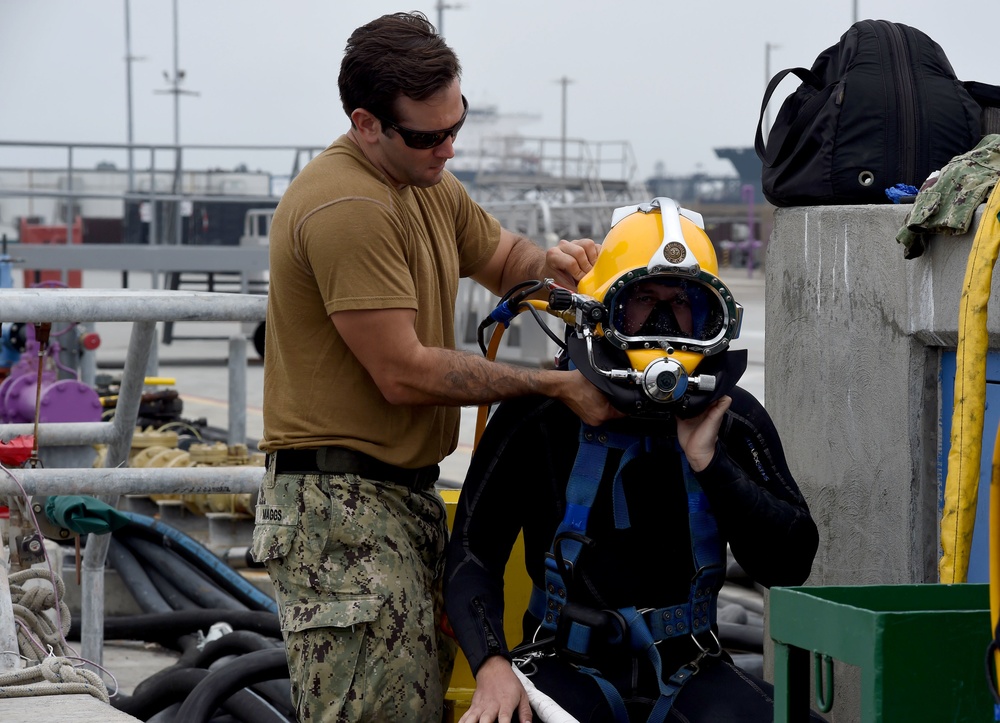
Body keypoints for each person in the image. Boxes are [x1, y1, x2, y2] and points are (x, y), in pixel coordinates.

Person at [249, 11, 619, 723]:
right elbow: (405, 372)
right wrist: (552, 384)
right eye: (428, 135)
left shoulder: (425, 181)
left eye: (457, 125)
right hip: (342, 513)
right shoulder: (348, 205)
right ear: (367, 124)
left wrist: (555, 265)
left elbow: (504, 259)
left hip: (399, 500)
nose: (448, 147)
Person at [444, 197, 824, 722]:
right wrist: (491, 665)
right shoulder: (541, 413)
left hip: (691, 666)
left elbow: (789, 563)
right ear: (604, 308)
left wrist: (711, 464)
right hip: (561, 662)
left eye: (684, 301)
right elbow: (471, 554)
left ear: (713, 315)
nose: (665, 318)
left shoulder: (731, 416)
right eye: (643, 299)